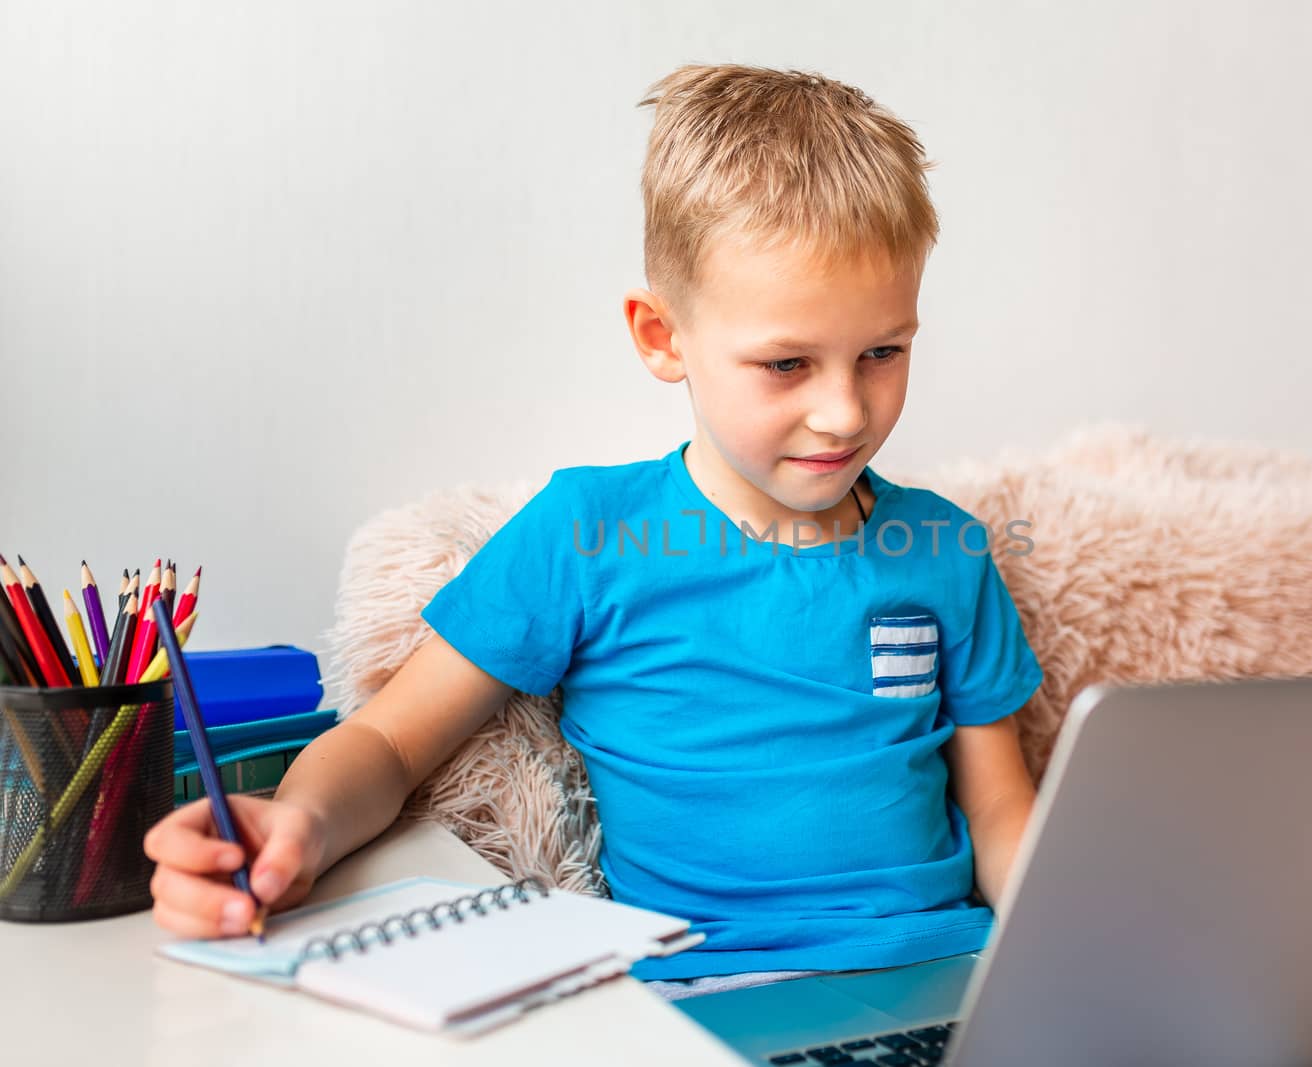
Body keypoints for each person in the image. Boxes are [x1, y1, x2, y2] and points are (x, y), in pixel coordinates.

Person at [144, 63, 1045, 1000]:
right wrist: (295, 823)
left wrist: (1074, 950)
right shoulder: (586, 534)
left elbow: (999, 806)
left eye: (882, 353)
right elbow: (391, 744)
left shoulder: (946, 549)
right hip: (708, 994)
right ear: (662, 337)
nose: (843, 412)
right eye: (786, 362)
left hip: (961, 974)